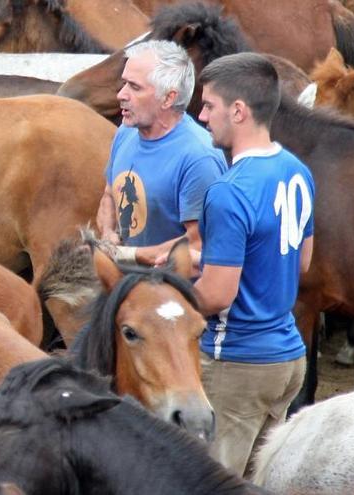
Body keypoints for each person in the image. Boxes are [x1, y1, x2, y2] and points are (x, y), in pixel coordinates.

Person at [193, 52, 315, 476]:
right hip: (288, 361)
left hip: (238, 364)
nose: (203, 116)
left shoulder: (228, 192)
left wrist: (171, 290)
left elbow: (215, 295)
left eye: (209, 106)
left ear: (238, 111)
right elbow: (301, 261)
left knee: (213, 481)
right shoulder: (297, 170)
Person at [96, 40, 227, 265]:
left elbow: (198, 243)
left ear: (169, 98)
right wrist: (108, 234)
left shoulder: (199, 158)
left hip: (171, 292)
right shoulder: (125, 133)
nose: (121, 95)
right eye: (124, 83)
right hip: (125, 283)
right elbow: (109, 195)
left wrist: (130, 256)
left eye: (134, 87)